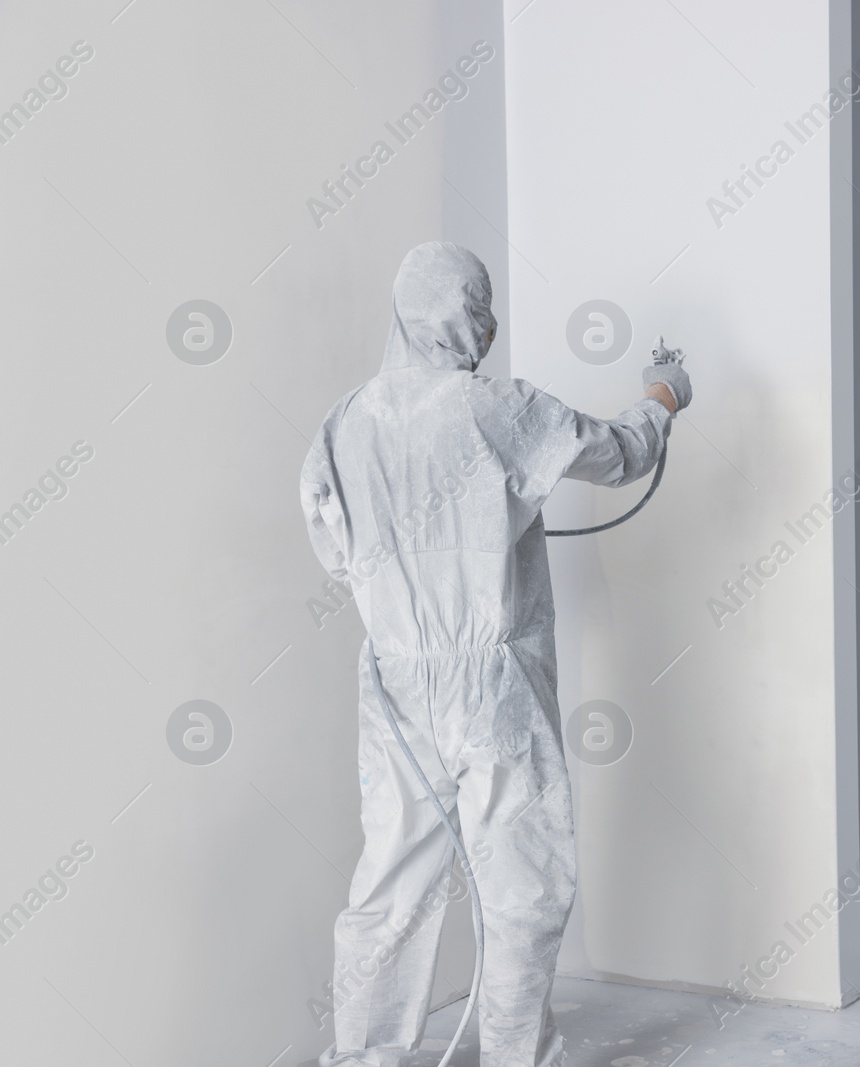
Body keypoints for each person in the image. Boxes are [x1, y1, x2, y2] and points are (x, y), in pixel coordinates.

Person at [300, 241, 691, 1067]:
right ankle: (516, 1056)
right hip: (491, 685)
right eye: (481, 305)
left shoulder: (344, 422)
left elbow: (333, 548)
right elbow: (619, 454)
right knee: (522, 885)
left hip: (395, 679)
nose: (490, 322)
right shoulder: (494, 407)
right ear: (459, 312)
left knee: (389, 890)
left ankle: (368, 1056)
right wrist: (662, 397)